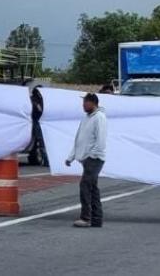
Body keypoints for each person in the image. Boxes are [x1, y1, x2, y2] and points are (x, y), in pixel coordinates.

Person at [65, 92, 108, 228]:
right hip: (87, 159)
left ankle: (86, 217)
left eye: (85, 102)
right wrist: (71, 157)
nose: (83, 105)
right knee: (92, 189)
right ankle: (96, 219)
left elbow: (101, 140)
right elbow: (79, 139)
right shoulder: (86, 119)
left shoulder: (99, 117)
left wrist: (92, 156)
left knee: (85, 186)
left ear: (93, 103)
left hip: (94, 159)